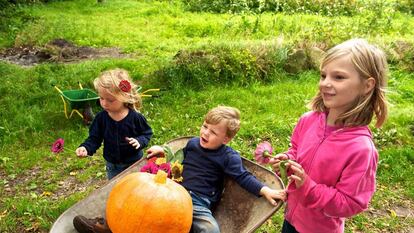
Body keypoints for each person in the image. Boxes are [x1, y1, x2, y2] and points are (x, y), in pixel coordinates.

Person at [269, 38, 388, 233]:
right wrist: (287, 161)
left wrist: (308, 186)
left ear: (367, 85)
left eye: (338, 77)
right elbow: (297, 151)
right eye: (323, 75)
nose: (325, 83)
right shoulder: (308, 120)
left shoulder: (361, 149)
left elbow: (350, 203)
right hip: (291, 218)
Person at [146, 106, 286, 233]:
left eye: (213, 132)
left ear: (225, 139)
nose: (205, 133)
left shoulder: (228, 157)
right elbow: (177, 157)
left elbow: (243, 177)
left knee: (210, 229)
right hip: (174, 193)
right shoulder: (193, 143)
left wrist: (266, 190)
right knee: (148, 212)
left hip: (197, 204)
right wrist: (163, 151)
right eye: (205, 126)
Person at [76, 68, 153, 180]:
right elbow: (94, 138)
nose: (104, 103)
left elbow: (146, 133)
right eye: (101, 98)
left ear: (124, 97)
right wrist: (86, 148)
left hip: (134, 163)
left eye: (110, 100)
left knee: (135, 187)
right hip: (113, 166)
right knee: (115, 188)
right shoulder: (101, 118)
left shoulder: (135, 117)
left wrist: (139, 141)